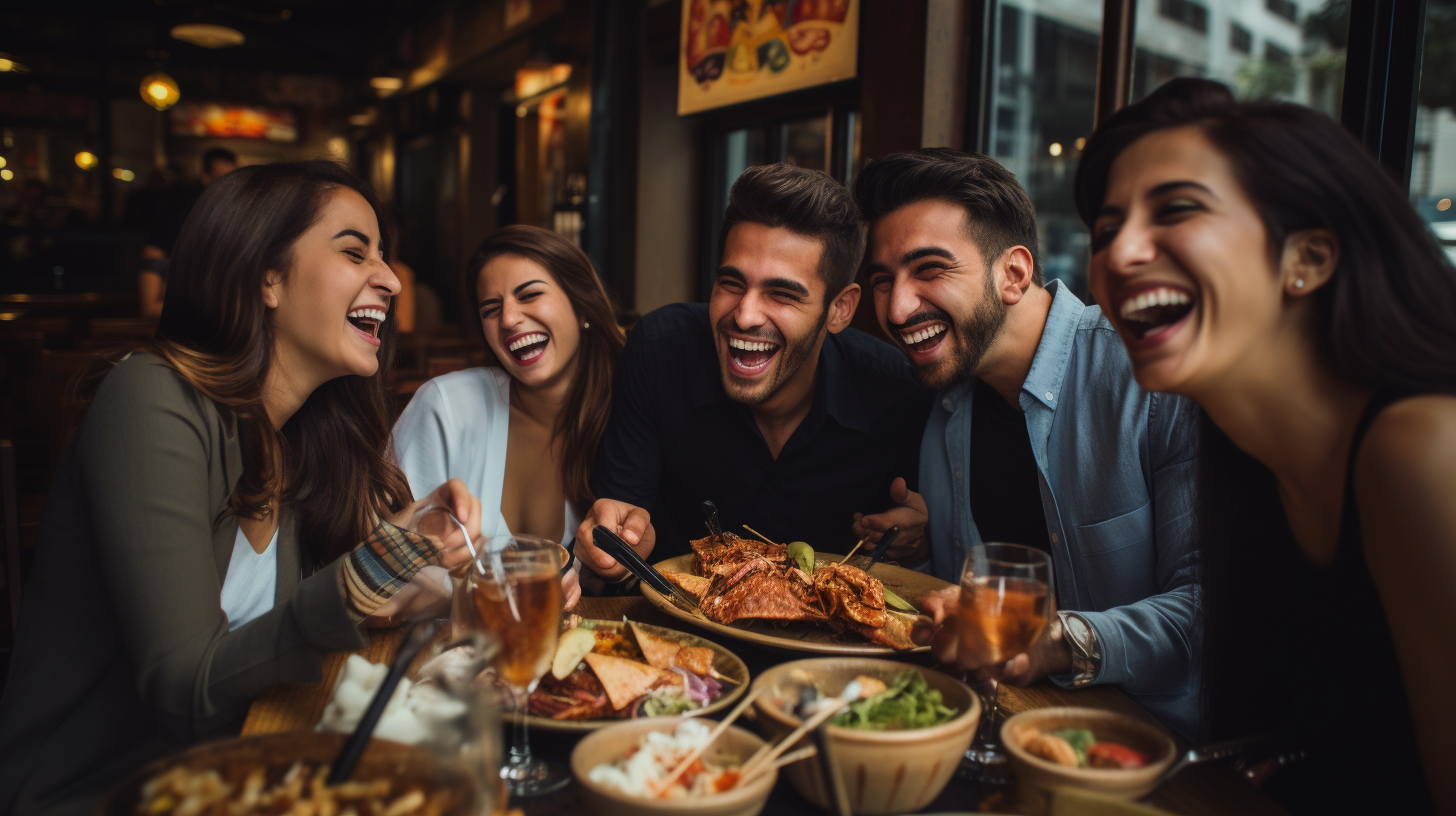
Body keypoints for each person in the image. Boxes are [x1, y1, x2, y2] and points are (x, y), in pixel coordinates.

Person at [0, 161, 482, 816]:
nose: (392, 280)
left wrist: (401, 582)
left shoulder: (300, 439)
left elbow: (292, 636)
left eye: (386, 257)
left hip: (237, 775)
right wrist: (372, 572)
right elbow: (185, 693)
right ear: (268, 277)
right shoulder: (151, 398)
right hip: (95, 794)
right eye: (354, 251)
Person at [1078, 78, 1456, 814]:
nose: (1118, 253)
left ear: (1307, 258)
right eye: (1103, 229)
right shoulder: (1241, 453)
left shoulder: (1421, 449)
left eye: (1177, 209)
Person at [851, 148, 1202, 738]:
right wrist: (922, 557)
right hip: (1002, 731)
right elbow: (968, 609)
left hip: (1160, 760)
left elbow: (1216, 610)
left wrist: (1060, 640)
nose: (896, 307)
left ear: (1013, 274)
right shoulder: (944, 409)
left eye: (929, 269)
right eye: (883, 281)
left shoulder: (1151, 376)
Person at [573, 163, 930, 581]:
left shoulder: (897, 390)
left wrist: (915, 543)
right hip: (674, 630)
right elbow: (617, 530)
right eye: (731, 283)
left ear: (840, 309)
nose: (744, 316)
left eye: (781, 294)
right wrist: (613, 554)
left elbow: (911, 555)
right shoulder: (661, 350)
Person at [392, 225, 627, 609]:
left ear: (581, 303)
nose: (509, 319)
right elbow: (382, 572)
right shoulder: (446, 408)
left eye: (530, 294)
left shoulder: (628, 420)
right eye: (491, 309)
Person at [137, 147, 238, 319]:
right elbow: (152, 256)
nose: (228, 186)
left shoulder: (239, 214)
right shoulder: (181, 208)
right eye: (221, 179)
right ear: (206, 178)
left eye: (234, 179)